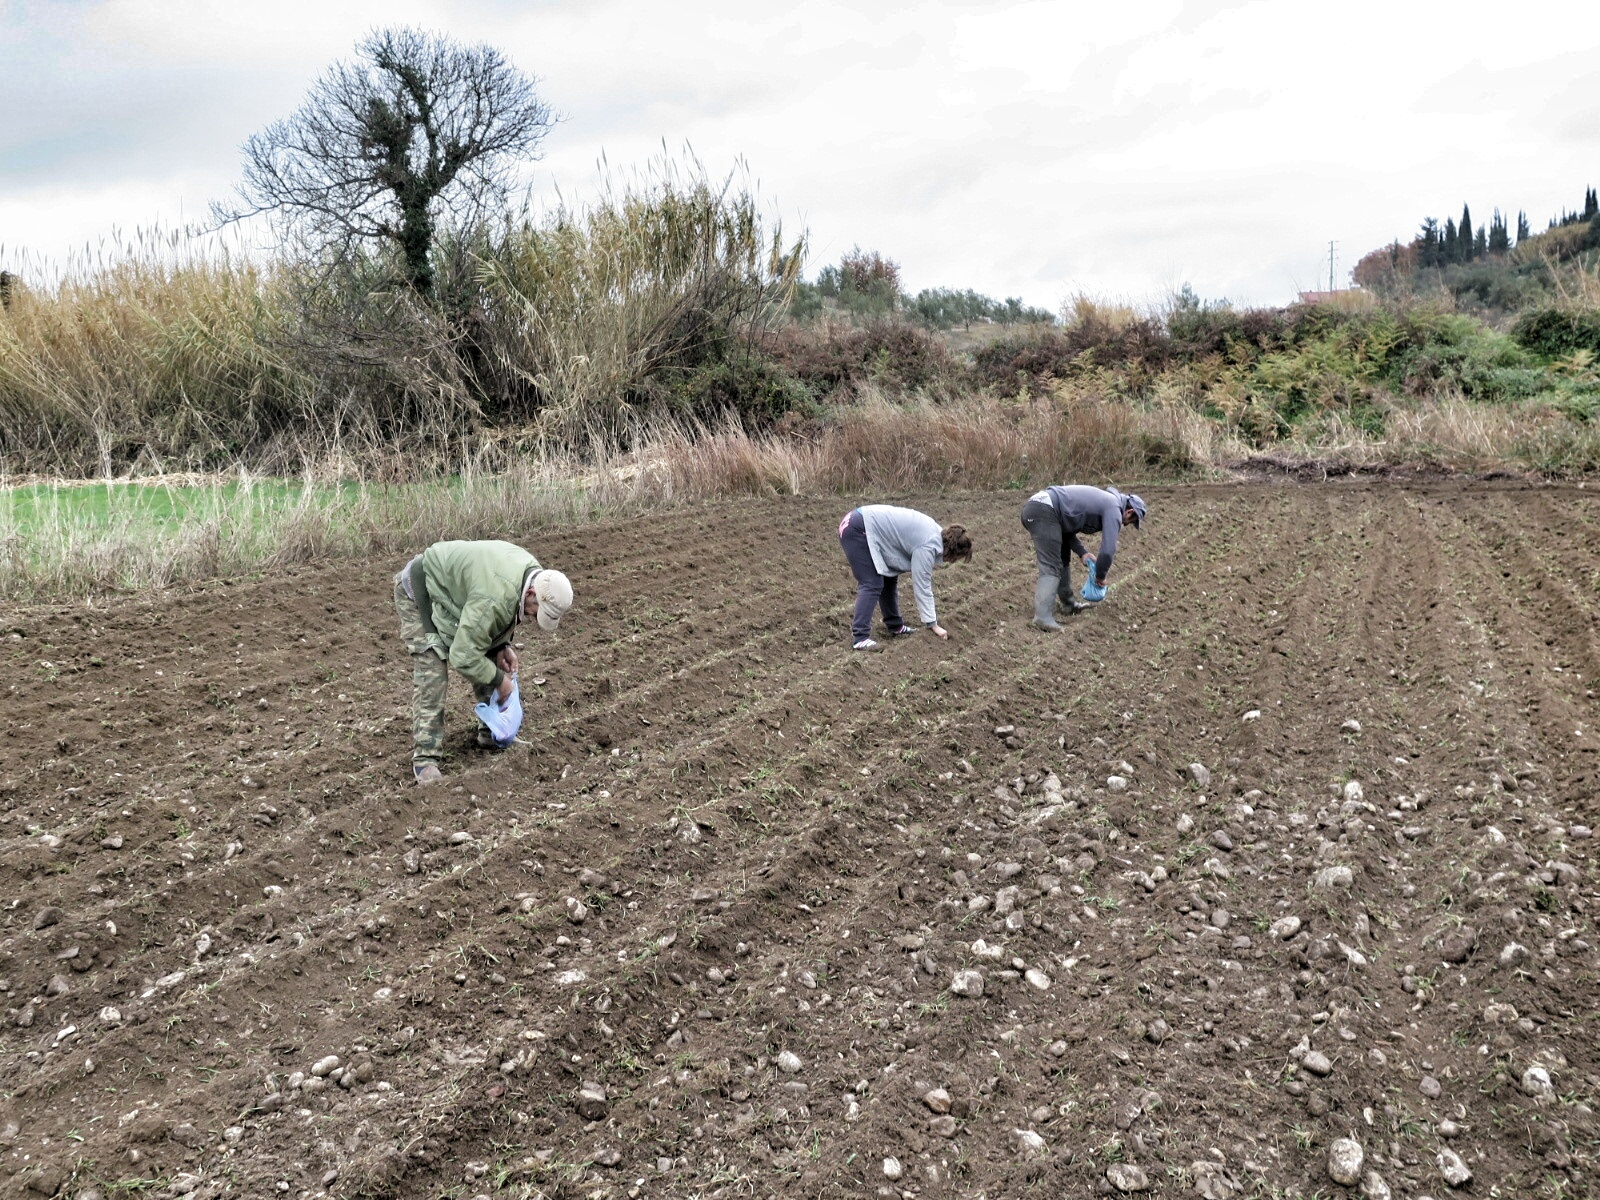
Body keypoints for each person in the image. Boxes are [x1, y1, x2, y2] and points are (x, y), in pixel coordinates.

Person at [394, 540, 572, 784]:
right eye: (534, 610)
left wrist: (502, 644)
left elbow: (495, 616)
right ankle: (425, 759)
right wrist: (500, 682)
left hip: (457, 594)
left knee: (489, 655)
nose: (532, 617)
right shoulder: (495, 598)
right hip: (420, 589)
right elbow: (463, 656)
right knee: (433, 669)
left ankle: (491, 733)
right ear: (531, 594)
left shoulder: (535, 575)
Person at [838, 505, 972, 651]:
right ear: (953, 552)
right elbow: (922, 586)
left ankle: (895, 626)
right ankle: (860, 637)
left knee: (889, 577)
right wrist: (933, 624)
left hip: (859, 520)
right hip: (858, 528)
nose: (953, 562)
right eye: (957, 558)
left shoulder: (937, 534)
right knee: (872, 582)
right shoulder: (928, 546)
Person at [1019, 485, 1146, 632]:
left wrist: (1082, 552)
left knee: (1062, 557)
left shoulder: (1108, 502)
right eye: (1130, 521)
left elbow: (1066, 525)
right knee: (1051, 566)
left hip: (1043, 508)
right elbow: (1107, 551)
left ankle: (1069, 605)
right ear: (1129, 511)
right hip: (1043, 510)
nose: (1125, 524)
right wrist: (1100, 576)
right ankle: (1042, 618)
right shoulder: (1114, 508)